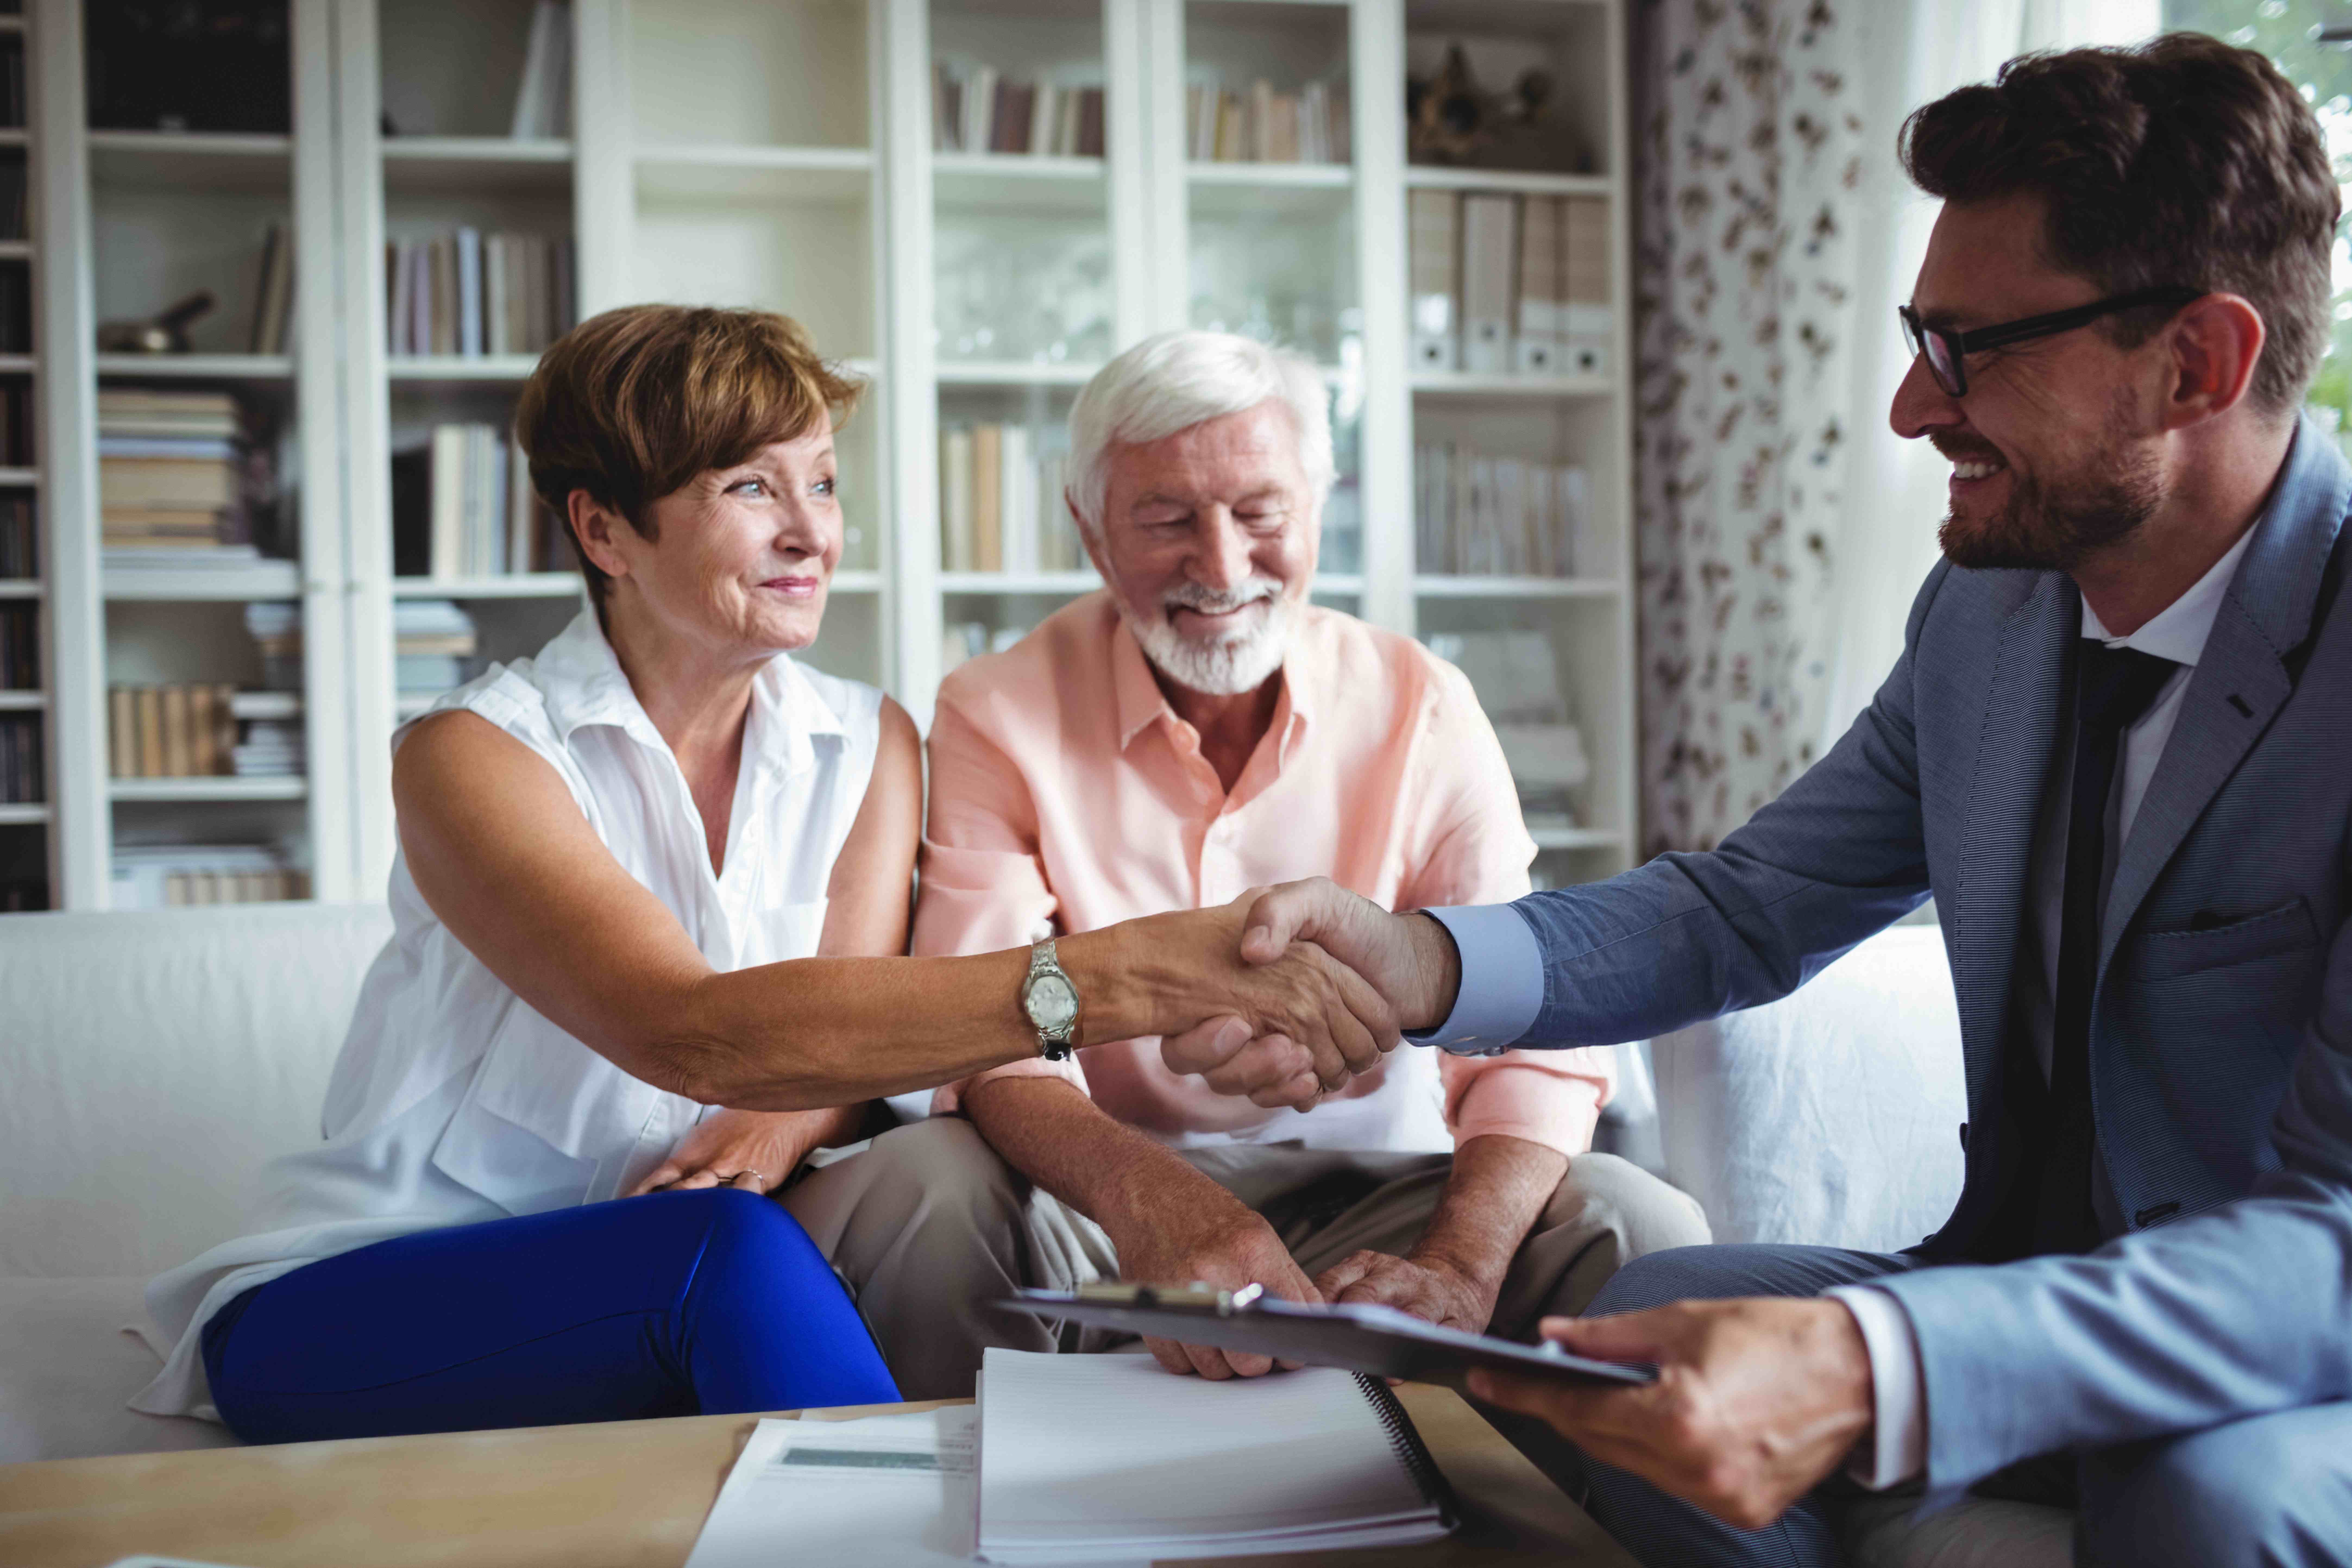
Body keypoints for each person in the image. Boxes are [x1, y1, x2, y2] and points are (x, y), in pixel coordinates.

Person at [1191, 35, 2352, 1568]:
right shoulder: (1988, 617)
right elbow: (1745, 909)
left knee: (2204, 1498)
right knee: (1624, 1330)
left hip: (2291, 1349)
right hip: (2010, 1274)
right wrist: (1418, 964)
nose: (1906, 409)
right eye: (1914, 340)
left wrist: (1882, 1360)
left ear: (2197, 361)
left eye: (1970, 349)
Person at [129, 306, 1397, 1446]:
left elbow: (850, 1032)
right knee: (723, 1255)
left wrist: (801, 1109)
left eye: (824, 484)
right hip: (390, 1284)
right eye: (751, 488)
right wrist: (1134, 974)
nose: (810, 533)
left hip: (682, 1266)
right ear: (603, 528)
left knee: (885, 1194)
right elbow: (690, 1032)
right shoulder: (474, 758)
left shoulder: (868, 742)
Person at [779, 330, 1707, 1401]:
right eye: (1165, 518)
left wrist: (1458, 1263)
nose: (1220, 568)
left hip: (1392, 1188)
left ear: (1319, 503)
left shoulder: (1425, 703)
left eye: (1260, 513)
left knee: (1639, 1220)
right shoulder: (996, 708)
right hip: (1098, 1189)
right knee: (917, 1183)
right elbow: (995, 1037)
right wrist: (1157, 1202)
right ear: (1088, 528)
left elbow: (1534, 1038)